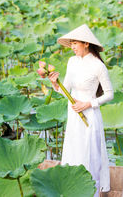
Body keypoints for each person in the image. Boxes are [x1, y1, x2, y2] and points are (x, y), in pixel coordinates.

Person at [48, 24, 114, 196]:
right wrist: (56, 84)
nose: (72, 47)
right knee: (73, 151)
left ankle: (90, 192)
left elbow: (109, 94)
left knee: (89, 155)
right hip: (74, 115)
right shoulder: (72, 62)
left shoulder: (98, 66)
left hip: (89, 116)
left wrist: (88, 104)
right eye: (70, 44)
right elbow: (67, 90)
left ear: (86, 43)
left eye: (75, 43)